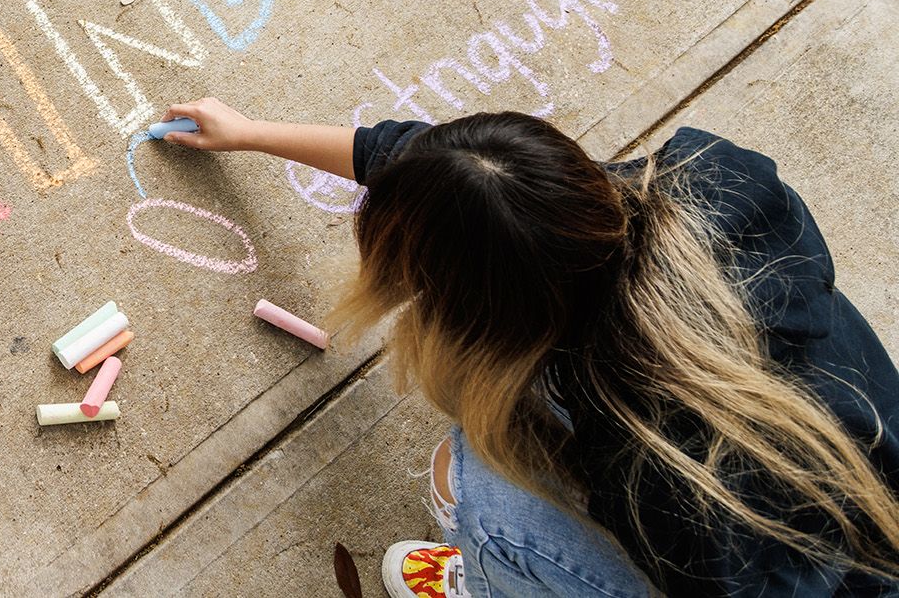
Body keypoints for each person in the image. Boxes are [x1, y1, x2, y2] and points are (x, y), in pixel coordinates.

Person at [157, 99, 899, 597]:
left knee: (483, 492)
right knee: (479, 450)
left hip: (783, 567)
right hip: (855, 472)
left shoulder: (658, 472)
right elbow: (433, 171)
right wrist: (249, 130)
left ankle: (495, 576)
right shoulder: (686, 190)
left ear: (487, 322)